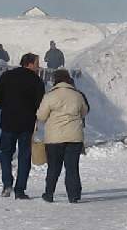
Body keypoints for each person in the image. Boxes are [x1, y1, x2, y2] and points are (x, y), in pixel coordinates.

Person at [0, 53, 46, 198]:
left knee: (5, 153)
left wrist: (8, 107)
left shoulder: (7, 76)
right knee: (24, 156)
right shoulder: (37, 81)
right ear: (29, 64)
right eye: (36, 63)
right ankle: (20, 190)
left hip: (8, 122)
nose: (38, 66)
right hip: (27, 124)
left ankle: (7, 184)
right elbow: (41, 104)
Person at [36, 69, 90, 203]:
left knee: (53, 167)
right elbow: (84, 111)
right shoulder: (77, 95)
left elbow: (41, 116)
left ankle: (49, 194)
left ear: (55, 80)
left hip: (54, 138)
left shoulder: (50, 96)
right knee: (72, 167)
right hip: (74, 137)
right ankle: (74, 195)